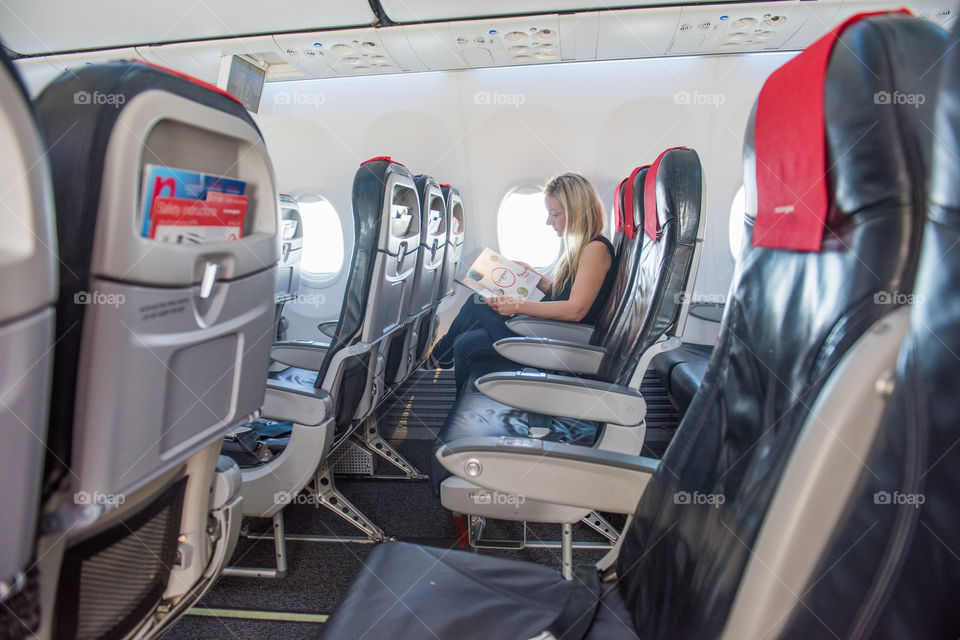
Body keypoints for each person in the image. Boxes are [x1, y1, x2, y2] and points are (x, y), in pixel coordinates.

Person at [428, 172, 616, 393]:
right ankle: (451, 382)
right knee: (465, 343)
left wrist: (517, 305)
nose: (549, 221)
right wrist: (536, 278)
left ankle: (438, 357)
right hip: (551, 331)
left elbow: (575, 310)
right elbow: (567, 295)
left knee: (477, 302)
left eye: (554, 214)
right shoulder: (581, 246)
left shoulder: (595, 249)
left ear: (577, 212)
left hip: (560, 340)